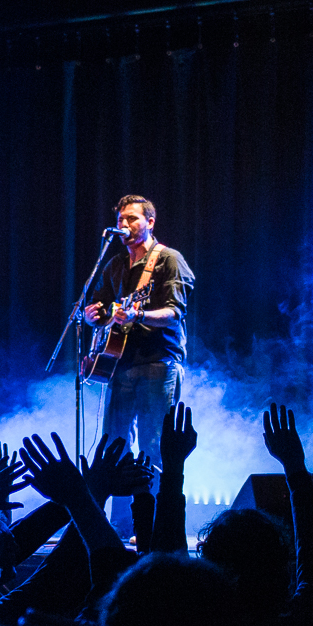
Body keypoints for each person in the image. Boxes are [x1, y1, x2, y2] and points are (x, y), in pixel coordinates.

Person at [83, 195, 194, 481]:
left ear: (150, 222)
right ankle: (120, 523)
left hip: (157, 361)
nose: (124, 224)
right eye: (120, 219)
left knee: (153, 446)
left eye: (132, 218)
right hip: (119, 364)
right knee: (114, 447)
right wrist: (93, 316)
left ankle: (154, 520)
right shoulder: (115, 265)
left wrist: (139, 316)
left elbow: (174, 312)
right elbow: (102, 309)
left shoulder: (168, 259)